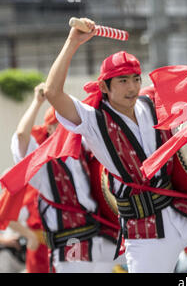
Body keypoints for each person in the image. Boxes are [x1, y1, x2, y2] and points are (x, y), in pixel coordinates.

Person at [42, 18, 187, 273]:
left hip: (180, 210)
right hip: (145, 230)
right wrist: (73, 41)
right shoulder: (93, 120)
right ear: (104, 86)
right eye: (122, 81)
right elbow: (53, 92)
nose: (131, 87)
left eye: (135, 79)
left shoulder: (151, 104)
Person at [8, 83, 123, 273]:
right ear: (50, 130)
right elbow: (21, 136)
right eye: (60, 126)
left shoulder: (83, 152)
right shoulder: (43, 166)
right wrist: (37, 102)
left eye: (68, 125)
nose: (67, 130)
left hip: (100, 237)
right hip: (72, 242)